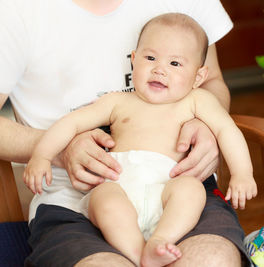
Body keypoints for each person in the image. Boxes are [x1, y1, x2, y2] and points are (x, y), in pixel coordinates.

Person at [0, 0, 251, 266]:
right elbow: (72, 123)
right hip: (91, 188)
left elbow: (227, 127)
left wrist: (240, 171)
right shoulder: (117, 101)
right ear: (134, 58)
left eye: (175, 63)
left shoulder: (197, 99)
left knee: (199, 220)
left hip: (176, 181)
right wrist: (45, 153)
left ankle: (159, 240)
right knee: (105, 200)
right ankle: (138, 254)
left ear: (197, 77)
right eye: (150, 58)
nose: (160, 70)